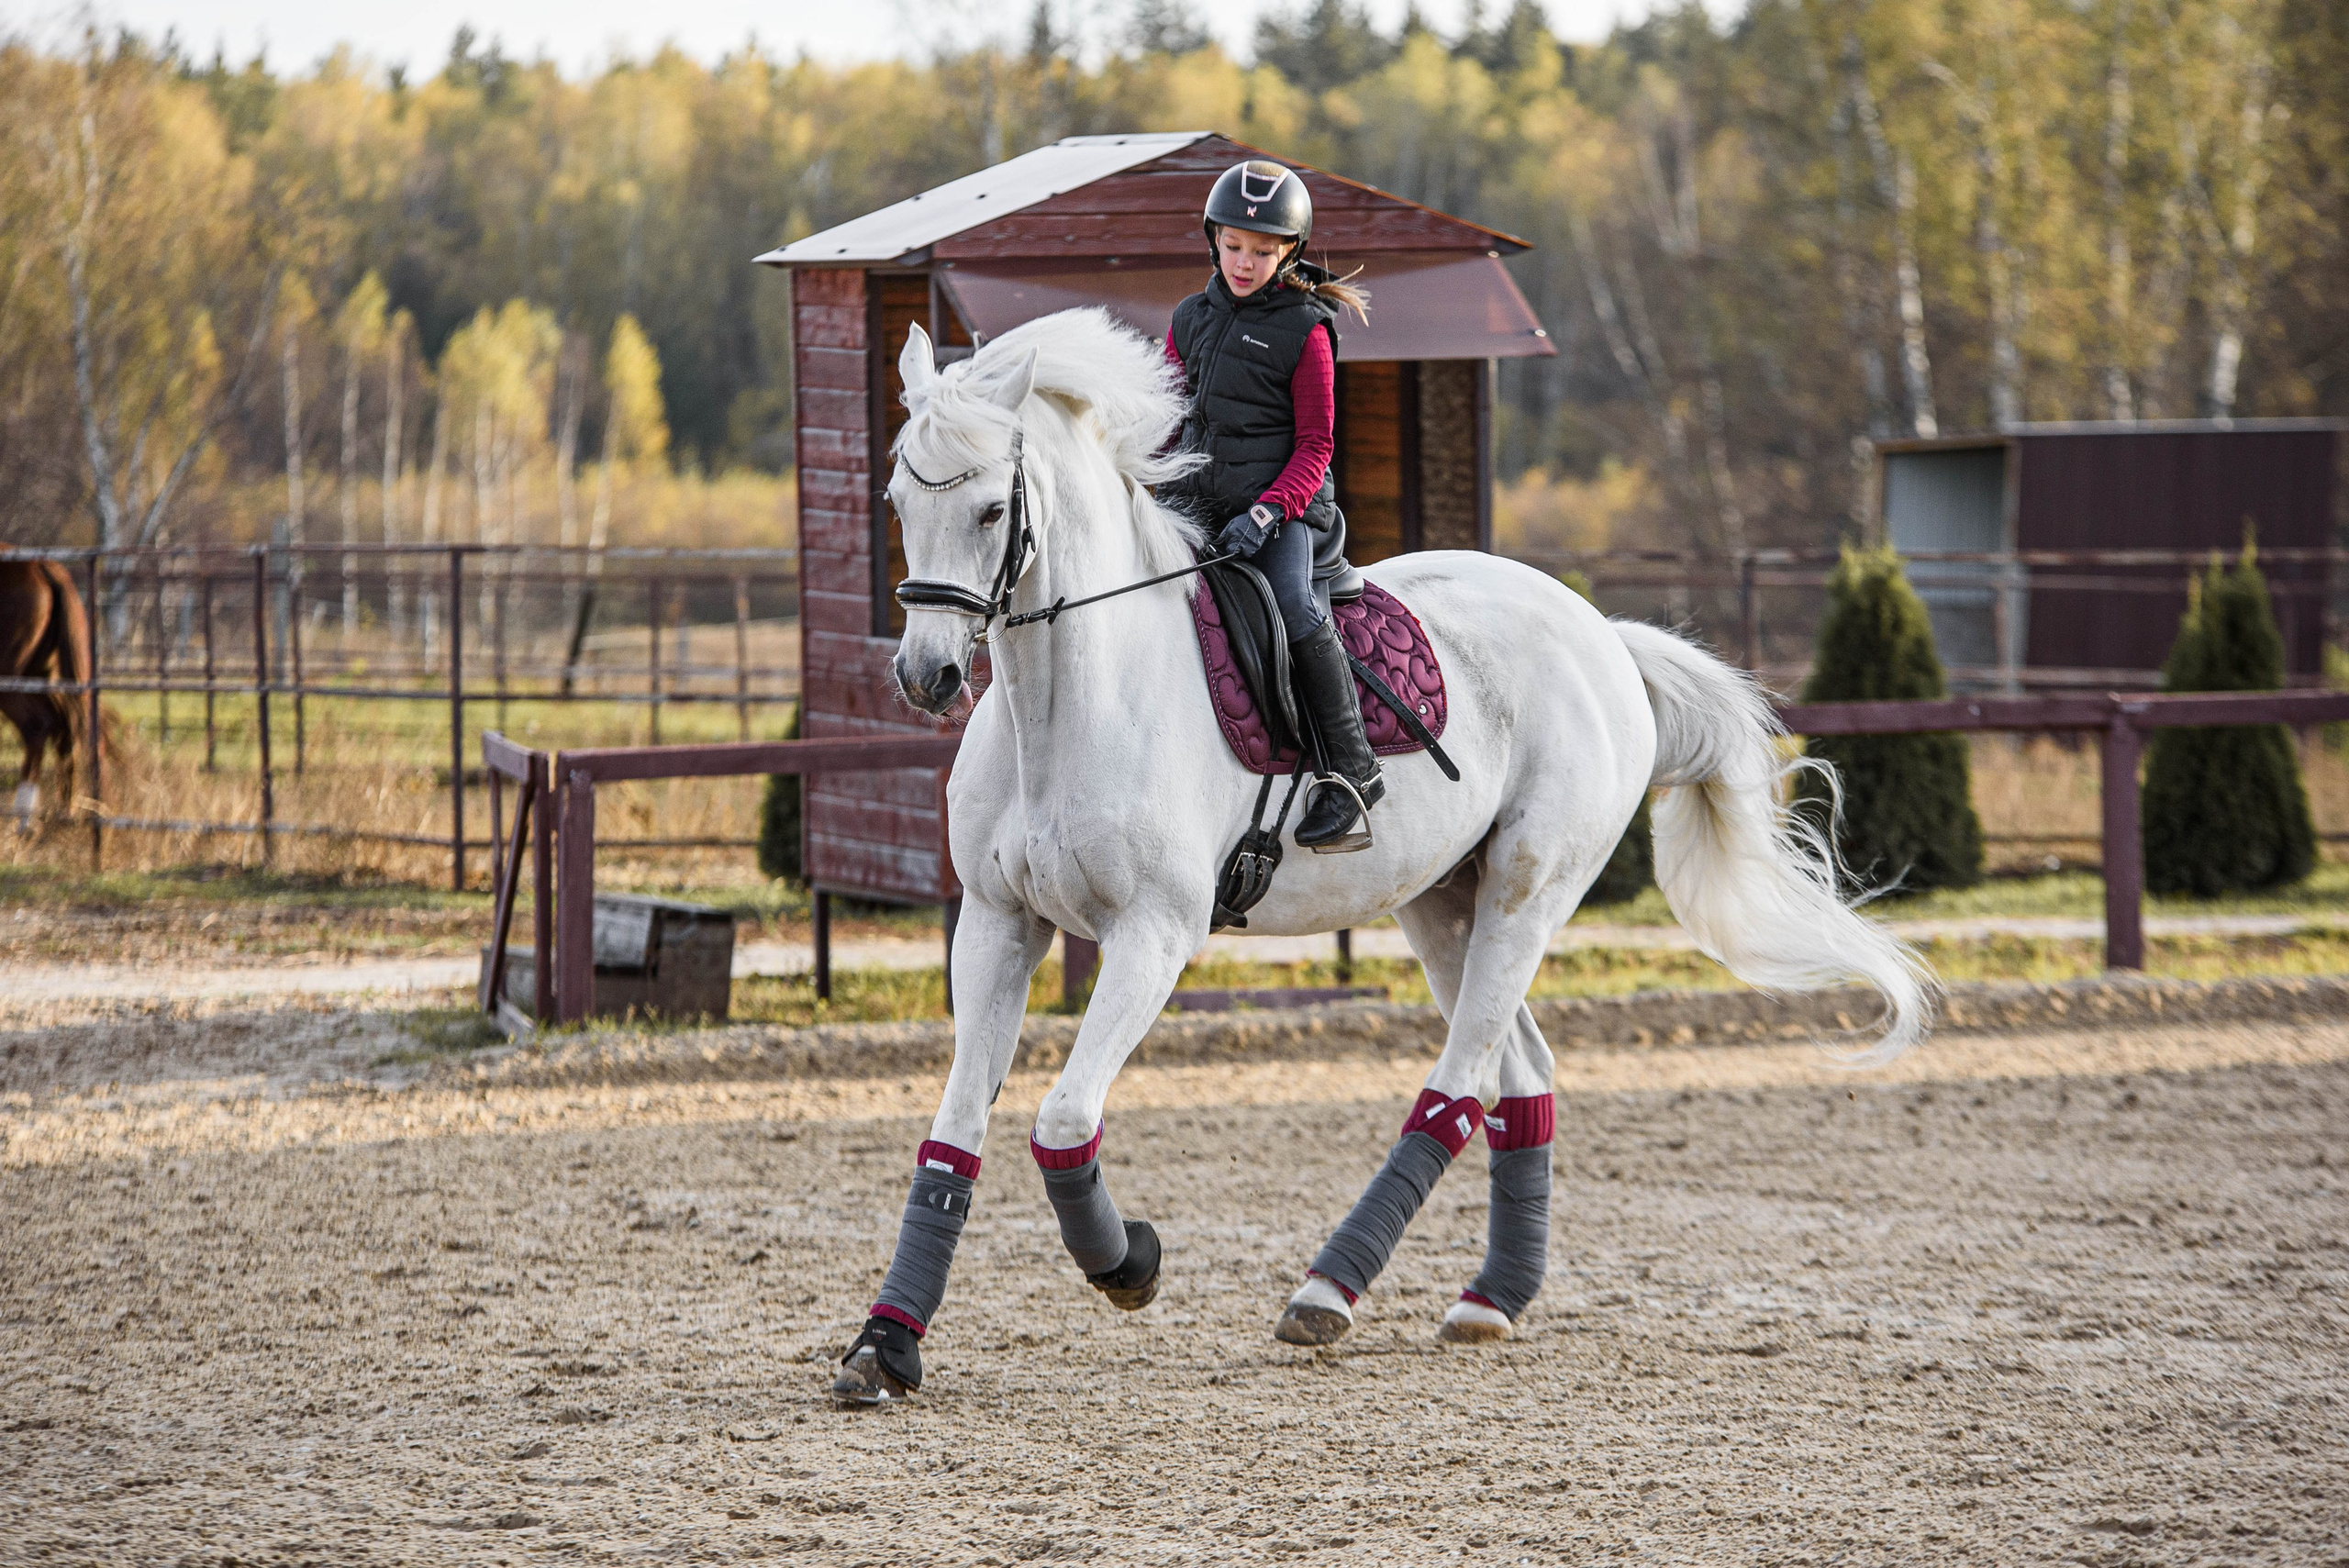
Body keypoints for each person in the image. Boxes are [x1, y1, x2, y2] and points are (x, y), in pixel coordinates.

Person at [1163, 160, 1382, 851]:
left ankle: (1351, 771)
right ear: (1213, 240)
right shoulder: (1189, 318)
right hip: (1198, 503)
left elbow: (1317, 445)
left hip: (1285, 514)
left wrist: (1265, 513)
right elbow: (1166, 414)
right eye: (1233, 247)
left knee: (1291, 605)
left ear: (1290, 251)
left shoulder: (1306, 330)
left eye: (1262, 251)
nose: (1245, 262)